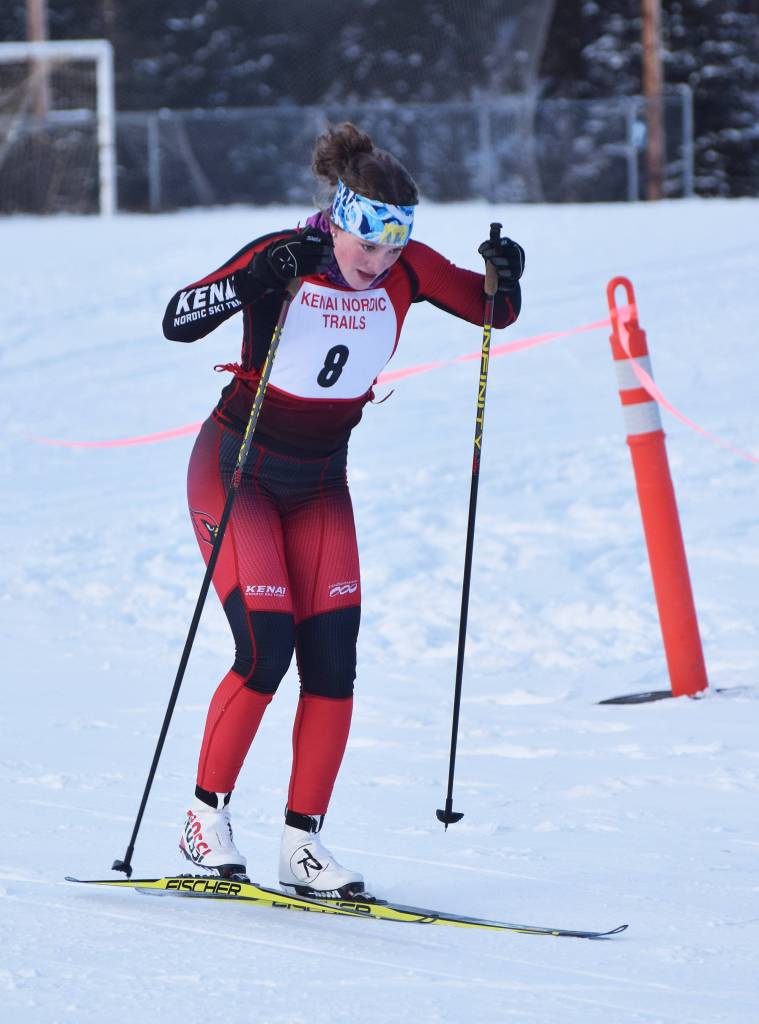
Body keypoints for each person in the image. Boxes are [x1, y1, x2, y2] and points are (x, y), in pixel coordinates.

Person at [162, 122, 524, 897]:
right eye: (368, 248)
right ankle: (204, 818)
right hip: (238, 470)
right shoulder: (288, 255)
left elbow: (491, 312)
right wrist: (256, 276)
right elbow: (179, 318)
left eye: (394, 251)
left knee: (332, 663)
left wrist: (505, 277)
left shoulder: (407, 269)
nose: (379, 266)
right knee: (265, 652)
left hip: (321, 484)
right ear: (340, 219)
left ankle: (302, 844)